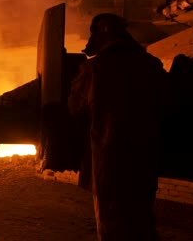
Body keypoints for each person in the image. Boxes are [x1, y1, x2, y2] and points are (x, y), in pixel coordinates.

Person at [68, 13, 167, 241]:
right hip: (144, 160)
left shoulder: (94, 69)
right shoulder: (151, 65)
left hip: (109, 162)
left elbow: (74, 107)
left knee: (112, 226)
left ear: (102, 33)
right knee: (142, 221)